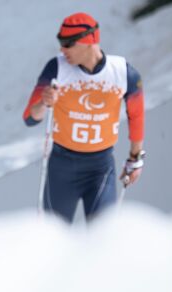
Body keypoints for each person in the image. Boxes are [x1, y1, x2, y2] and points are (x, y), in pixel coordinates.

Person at [23, 12, 145, 223]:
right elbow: (30, 118)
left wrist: (135, 158)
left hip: (100, 169)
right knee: (55, 238)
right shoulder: (57, 68)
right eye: (60, 43)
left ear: (89, 41)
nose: (62, 49)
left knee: (101, 238)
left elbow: (136, 115)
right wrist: (44, 102)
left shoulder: (124, 73)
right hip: (62, 166)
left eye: (68, 43)